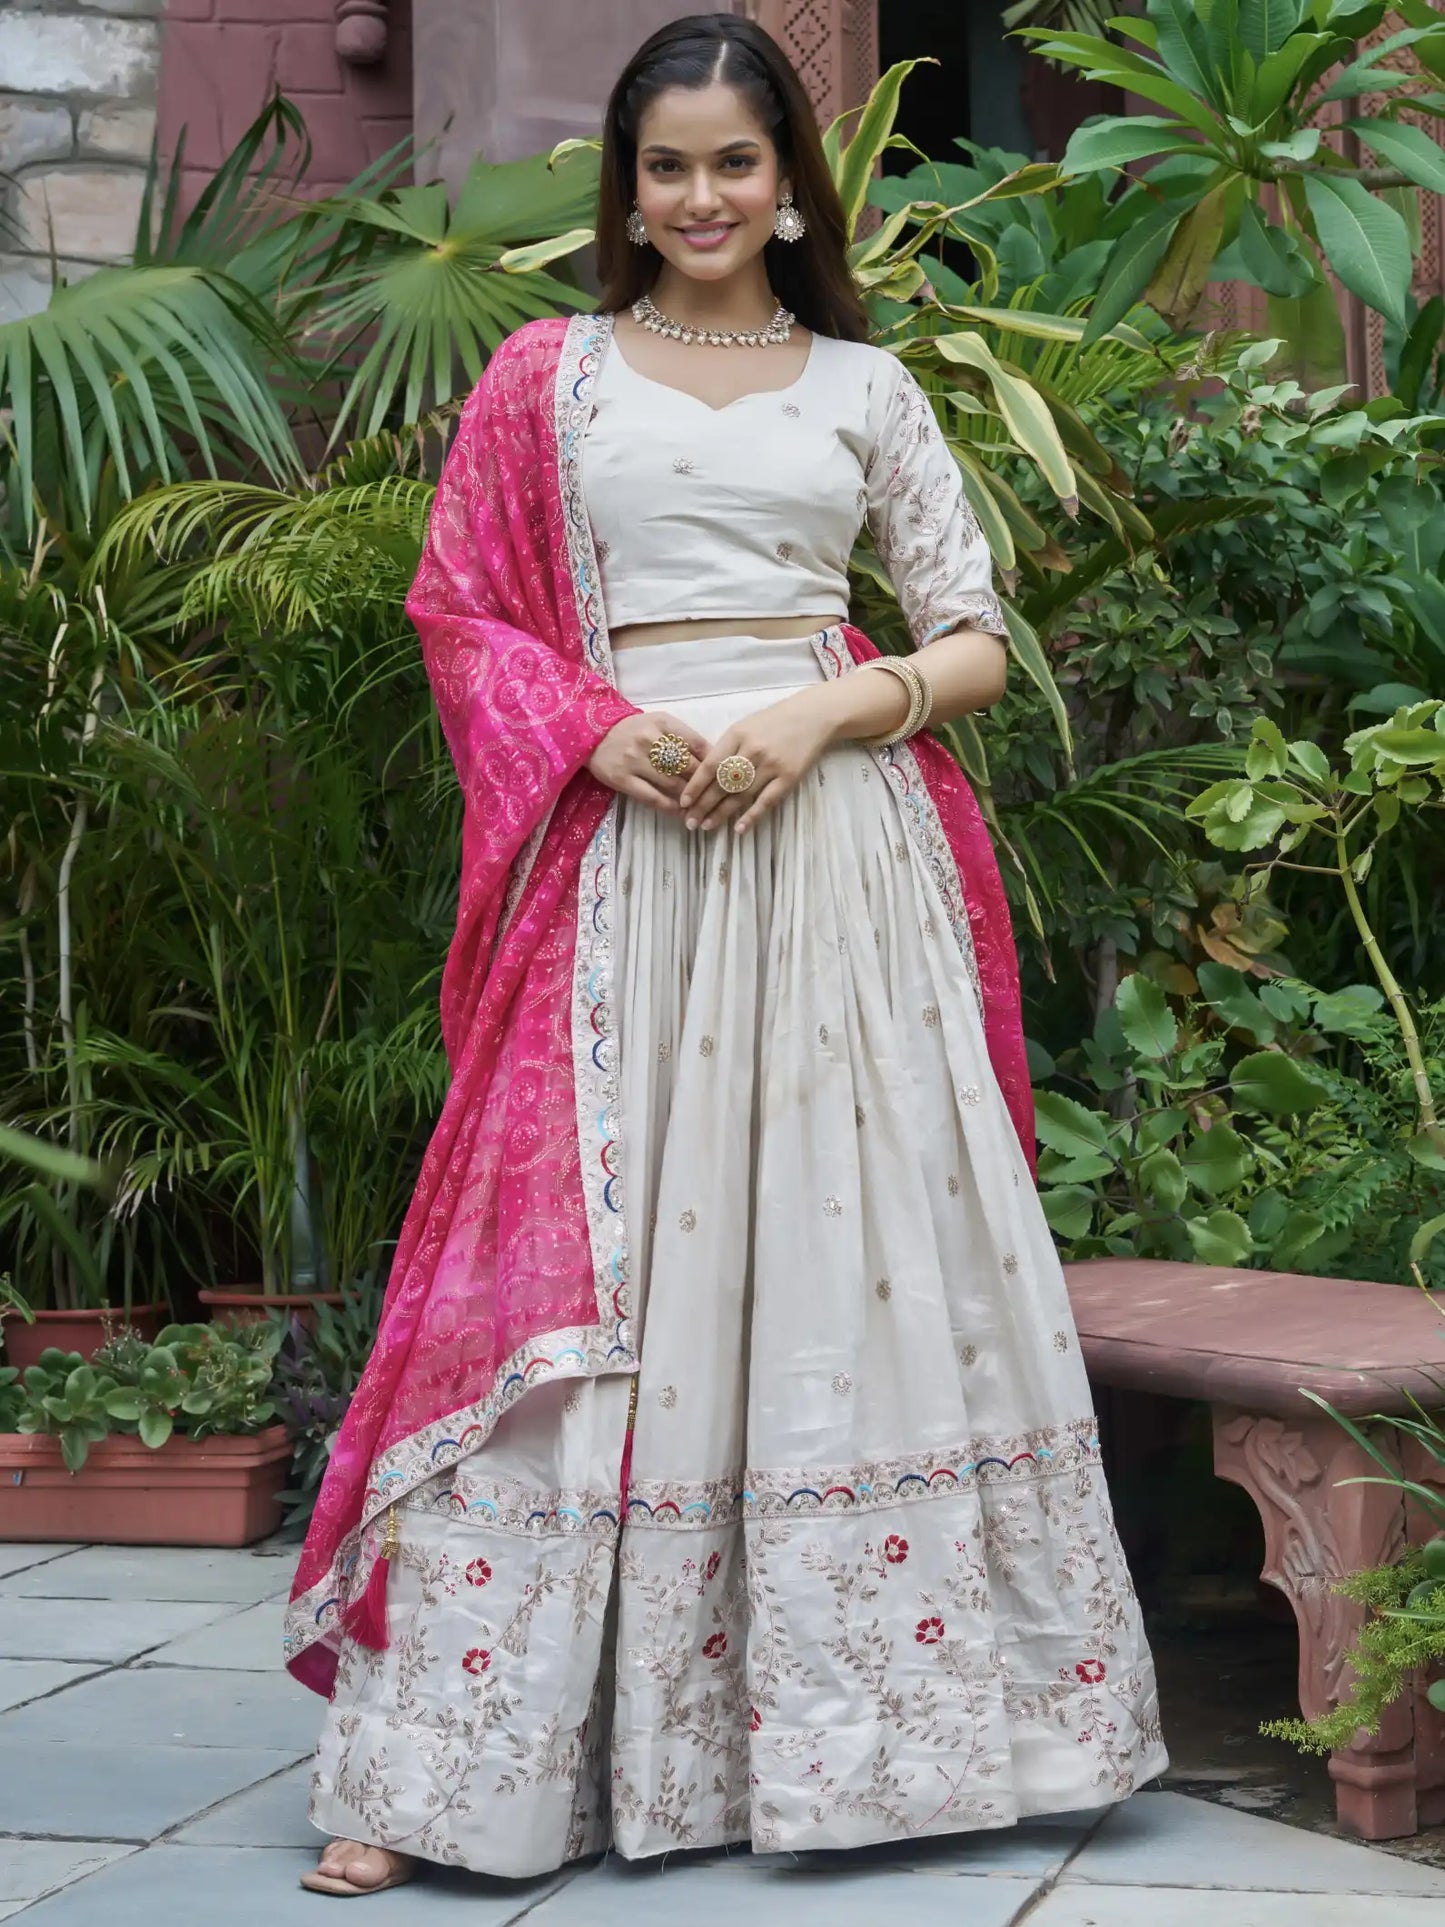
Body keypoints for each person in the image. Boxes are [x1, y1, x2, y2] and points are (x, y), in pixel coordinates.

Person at [291, 12, 1166, 1897]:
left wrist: (823, 714)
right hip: (625, 868)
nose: (700, 196)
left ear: (791, 183)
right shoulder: (545, 379)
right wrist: (595, 733)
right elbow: (461, 614)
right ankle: (455, 1766)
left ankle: (902, 1736)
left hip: (839, 865)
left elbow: (970, 639)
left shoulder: (862, 387)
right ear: (626, 184)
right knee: (576, 1271)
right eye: (666, 164)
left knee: (854, 1254)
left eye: (735, 162)